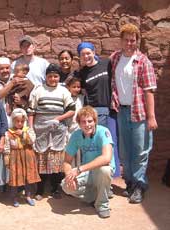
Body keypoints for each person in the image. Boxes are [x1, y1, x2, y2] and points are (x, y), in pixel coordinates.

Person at [110, 23, 158, 203]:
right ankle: (129, 182)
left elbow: (149, 90)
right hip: (122, 110)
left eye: (133, 40)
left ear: (137, 41)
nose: (130, 43)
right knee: (124, 151)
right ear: (121, 41)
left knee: (140, 150)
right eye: (127, 40)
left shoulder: (143, 61)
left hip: (139, 112)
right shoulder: (115, 58)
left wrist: (151, 116)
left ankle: (139, 185)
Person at [28, 63, 75, 200]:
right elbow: (31, 111)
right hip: (41, 130)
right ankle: (40, 190)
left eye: (55, 76)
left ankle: (55, 189)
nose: (53, 79)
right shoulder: (38, 90)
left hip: (57, 132)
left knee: (56, 161)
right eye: (50, 76)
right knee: (41, 161)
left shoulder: (63, 91)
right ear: (46, 77)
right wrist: (31, 128)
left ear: (59, 77)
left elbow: (71, 110)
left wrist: (58, 119)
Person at [75, 42, 121, 178]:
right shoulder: (82, 73)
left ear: (94, 52)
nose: (86, 56)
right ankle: (96, 177)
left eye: (88, 53)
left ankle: (110, 176)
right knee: (97, 144)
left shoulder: (106, 63)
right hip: (94, 112)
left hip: (110, 109)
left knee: (111, 143)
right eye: (83, 54)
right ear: (80, 57)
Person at [62, 106, 115, 219]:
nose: (87, 125)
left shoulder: (103, 131)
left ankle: (102, 205)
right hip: (88, 173)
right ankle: (97, 195)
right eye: (83, 122)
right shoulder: (76, 135)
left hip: (100, 170)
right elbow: (67, 161)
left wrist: (79, 169)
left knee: (104, 170)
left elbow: (106, 158)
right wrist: (69, 176)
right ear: (79, 123)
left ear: (95, 121)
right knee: (65, 186)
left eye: (90, 121)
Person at [4, 108, 41, 207]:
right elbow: (7, 146)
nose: (20, 123)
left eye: (22, 121)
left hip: (27, 156)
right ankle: (14, 197)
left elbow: (32, 141)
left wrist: (24, 134)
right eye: (17, 121)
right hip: (15, 158)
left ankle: (28, 195)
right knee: (15, 177)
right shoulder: (9, 133)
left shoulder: (28, 130)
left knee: (28, 177)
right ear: (13, 121)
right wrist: (7, 157)